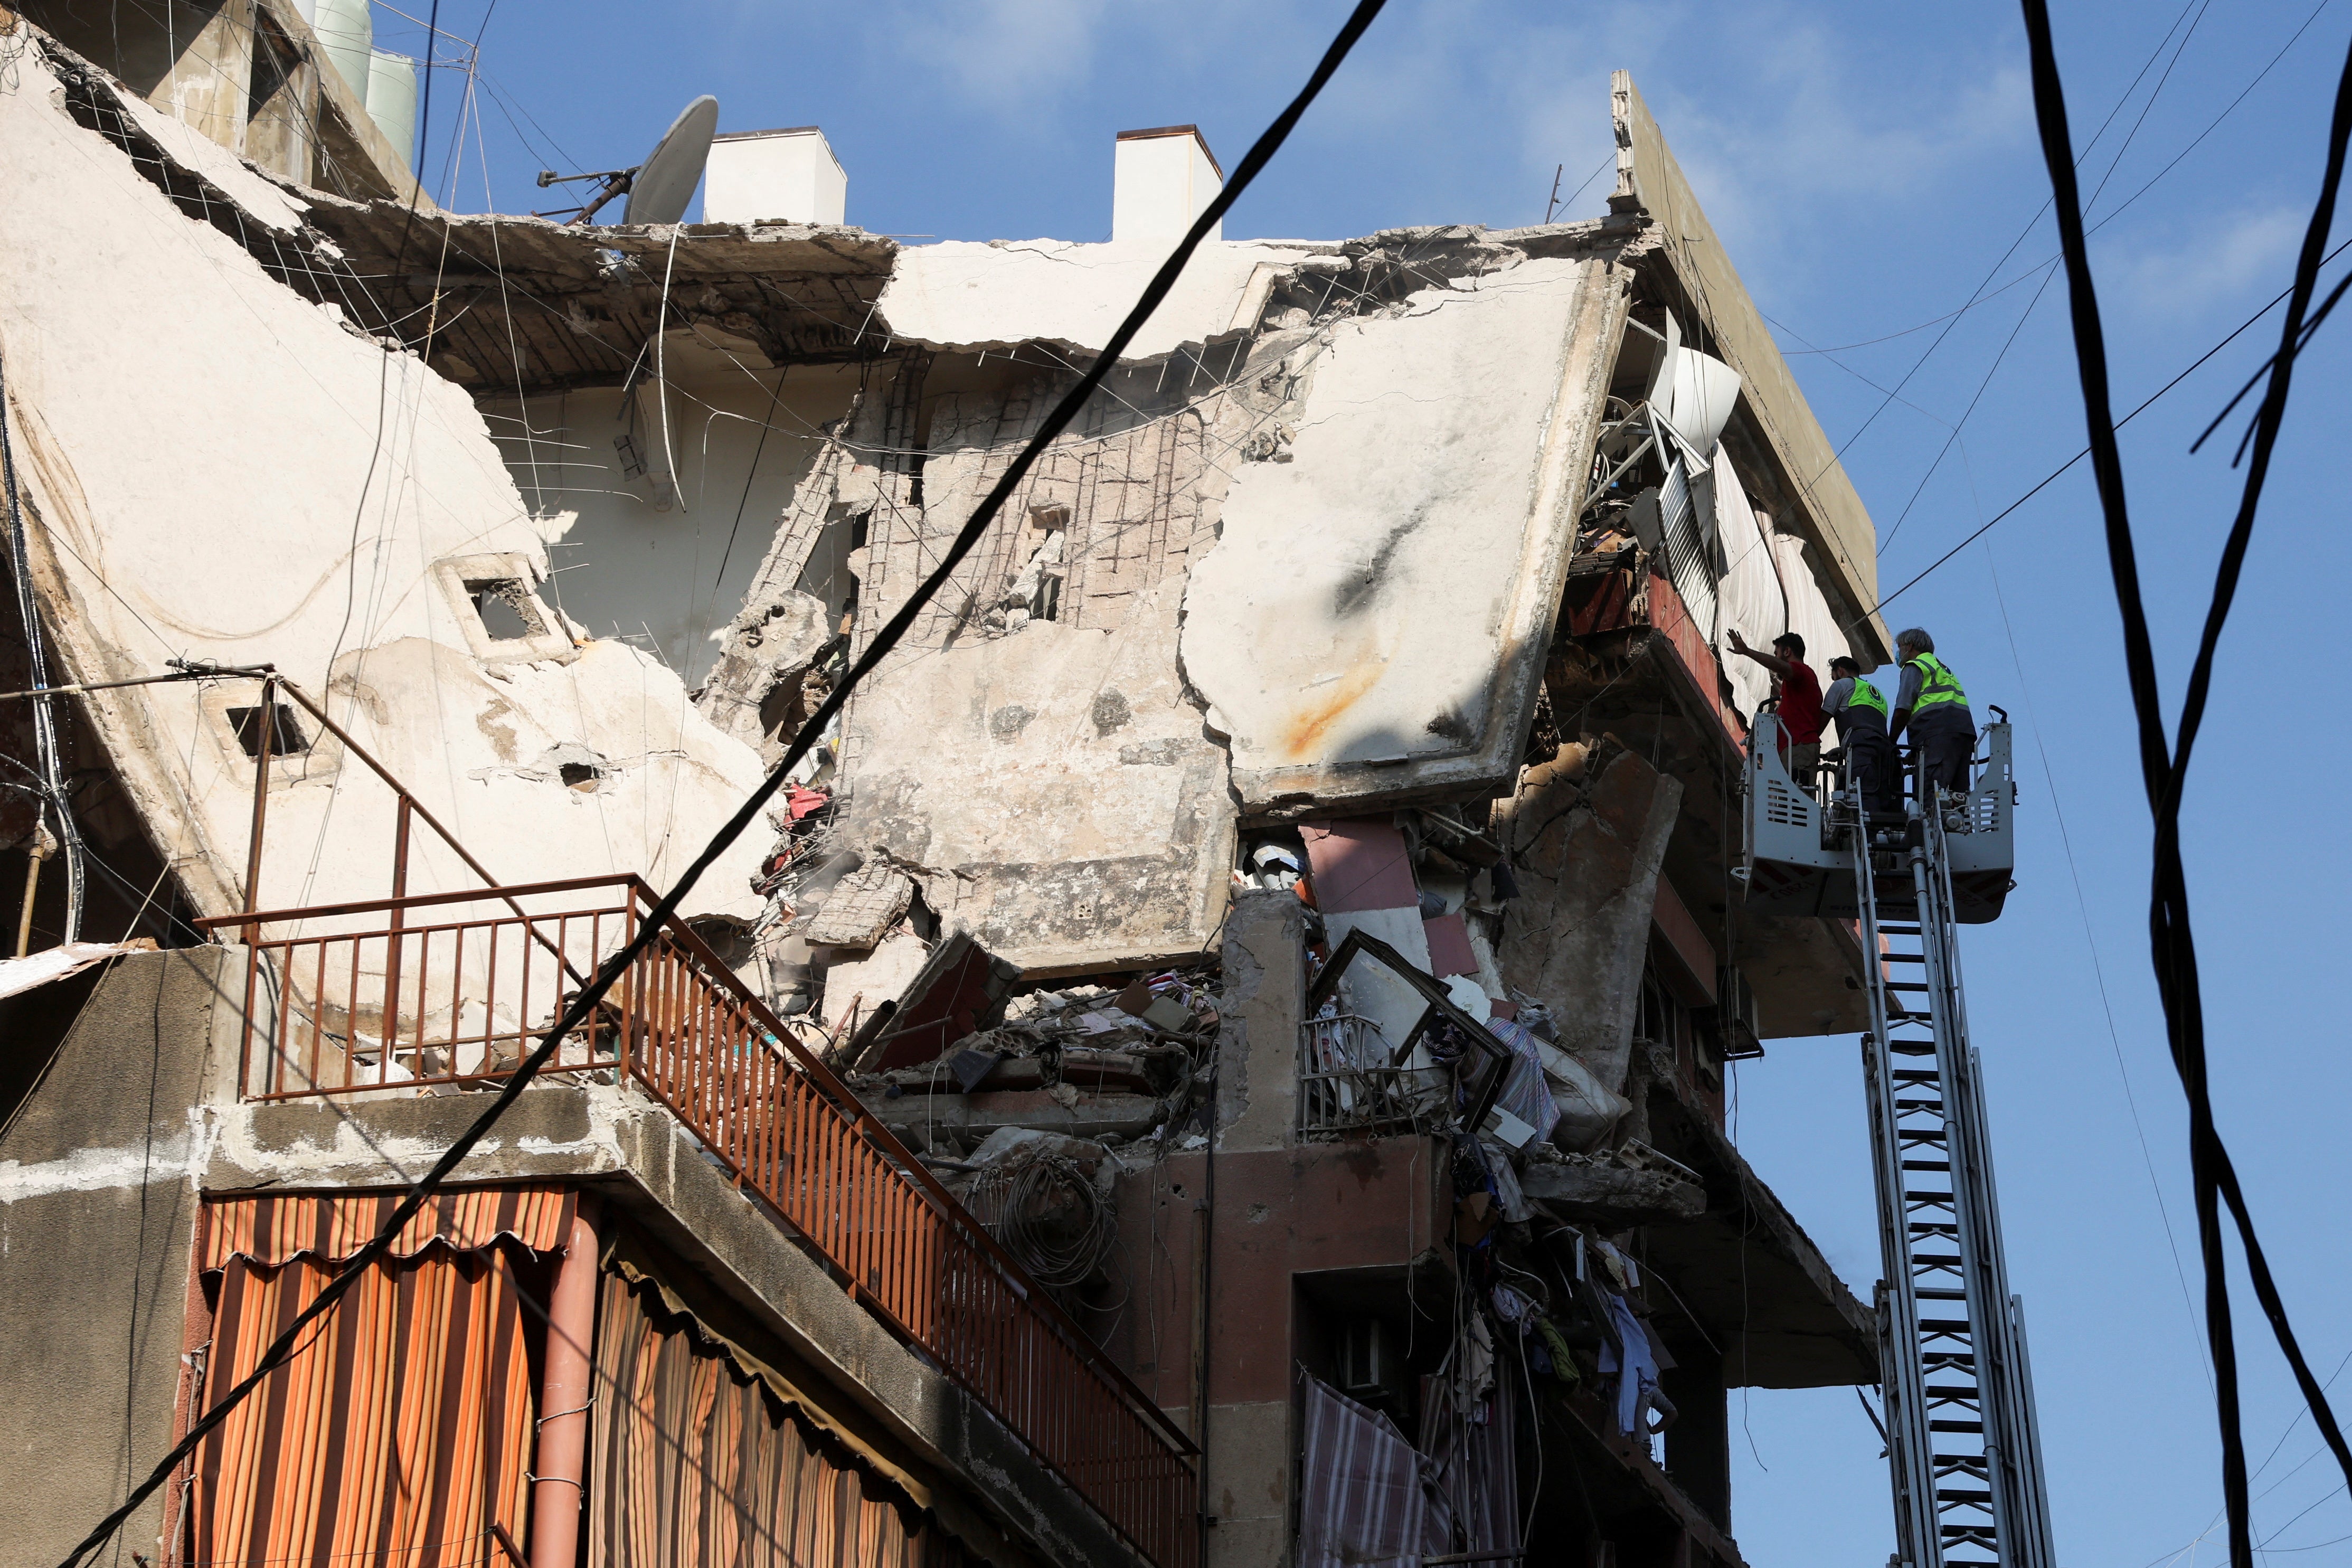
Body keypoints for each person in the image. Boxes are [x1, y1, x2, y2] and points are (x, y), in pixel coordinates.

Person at [1725, 628, 1824, 787]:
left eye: (1776, 653)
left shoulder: (1801, 671)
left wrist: (1747, 652)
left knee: (1796, 803)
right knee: (1789, 804)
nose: (1775, 658)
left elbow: (1782, 667)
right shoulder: (1803, 683)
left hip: (1798, 749)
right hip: (1796, 748)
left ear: (1787, 652)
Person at [1888, 627, 1977, 795]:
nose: (1898, 653)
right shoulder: (1942, 668)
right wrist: (1916, 751)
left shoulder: (1915, 666)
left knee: (1934, 794)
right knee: (1958, 796)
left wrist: (1890, 742)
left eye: (1899, 647)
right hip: (1962, 736)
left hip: (1938, 734)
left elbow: (1903, 709)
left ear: (1909, 646)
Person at [1821, 654, 1902, 817]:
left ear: (1840, 671)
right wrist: (1842, 748)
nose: (1834, 681)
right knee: (1882, 801)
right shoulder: (1878, 695)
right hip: (1886, 752)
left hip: (1862, 750)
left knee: (1865, 801)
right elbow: (1869, 728)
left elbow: (1822, 719)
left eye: (1834, 677)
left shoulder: (1842, 685)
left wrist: (1808, 741)